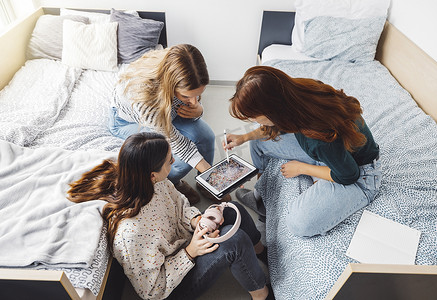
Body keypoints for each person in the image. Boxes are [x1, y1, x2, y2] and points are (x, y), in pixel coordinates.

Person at [67, 132, 272, 300]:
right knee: (233, 240)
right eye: (168, 161)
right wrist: (191, 251)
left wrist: (197, 221)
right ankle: (261, 294)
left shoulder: (157, 182)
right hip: (172, 287)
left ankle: (261, 251)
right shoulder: (131, 234)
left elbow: (180, 206)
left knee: (231, 208)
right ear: (151, 174)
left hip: (185, 242)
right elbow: (152, 291)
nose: (174, 161)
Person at [224, 66, 382, 237]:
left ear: (272, 112)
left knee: (297, 223)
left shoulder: (318, 136)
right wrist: (243, 137)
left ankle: (310, 176)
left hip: (360, 175)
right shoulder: (295, 95)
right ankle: (261, 198)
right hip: (334, 153)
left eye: (253, 116)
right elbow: (276, 126)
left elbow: (349, 175)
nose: (252, 120)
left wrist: (301, 168)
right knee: (258, 141)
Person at [108, 44, 229, 204]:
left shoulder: (180, 69)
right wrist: (214, 175)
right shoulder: (145, 98)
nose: (193, 101)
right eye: (187, 96)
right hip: (128, 122)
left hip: (166, 111)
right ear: (170, 85)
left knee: (206, 135)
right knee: (173, 159)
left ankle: (204, 183)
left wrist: (198, 110)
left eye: (198, 95)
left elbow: (191, 107)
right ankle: (173, 184)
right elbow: (178, 144)